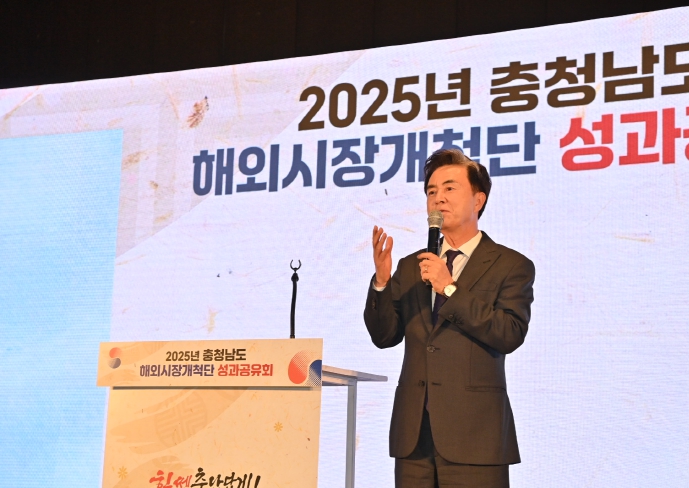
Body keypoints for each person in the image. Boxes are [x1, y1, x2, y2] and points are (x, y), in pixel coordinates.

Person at [364, 148, 535, 488]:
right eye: (431, 191)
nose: (438, 198)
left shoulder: (511, 265)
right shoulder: (412, 266)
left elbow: (509, 333)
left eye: (449, 188)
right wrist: (381, 282)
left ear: (478, 200)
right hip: (414, 436)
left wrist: (450, 289)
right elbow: (384, 336)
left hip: (475, 435)